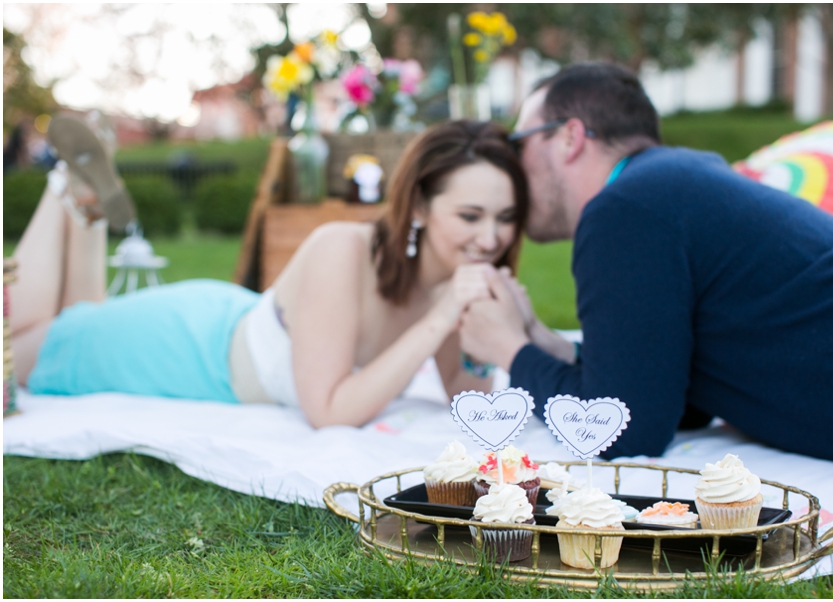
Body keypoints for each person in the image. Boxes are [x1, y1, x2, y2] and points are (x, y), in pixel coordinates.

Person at [458, 62, 833, 469]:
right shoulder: (665, 184)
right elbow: (672, 394)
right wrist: (546, 346)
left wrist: (509, 351)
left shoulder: (625, 207)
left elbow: (623, 432)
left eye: (521, 143)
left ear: (570, 137)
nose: (515, 164)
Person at [9, 119, 529, 428]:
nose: (490, 239)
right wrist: (439, 319)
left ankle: (84, 199)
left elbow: (467, 399)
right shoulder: (343, 248)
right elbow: (327, 411)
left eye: (505, 219)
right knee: (21, 350)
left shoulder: (453, 278)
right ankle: (62, 186)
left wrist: (495, 324)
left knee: (77, 323)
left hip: (222, 331)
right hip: (190, 349)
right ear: (417, 205)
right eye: (470, 216)